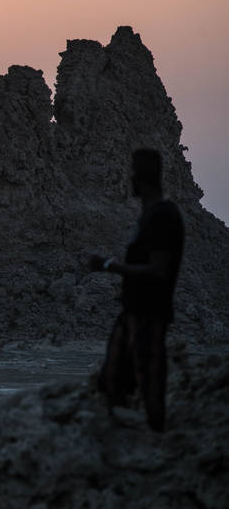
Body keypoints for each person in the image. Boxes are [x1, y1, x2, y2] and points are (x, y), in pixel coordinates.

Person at [90, 148, 184, 432]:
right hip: (133, 311)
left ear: (141, 179)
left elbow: (158, 270)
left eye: (133, 174)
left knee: (150, 378)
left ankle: (158, 442)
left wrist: (109, 266)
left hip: (150, 312)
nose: (128, 180)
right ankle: (122, 441)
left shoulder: (163, 216)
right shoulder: (150, 215)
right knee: (113, 376)